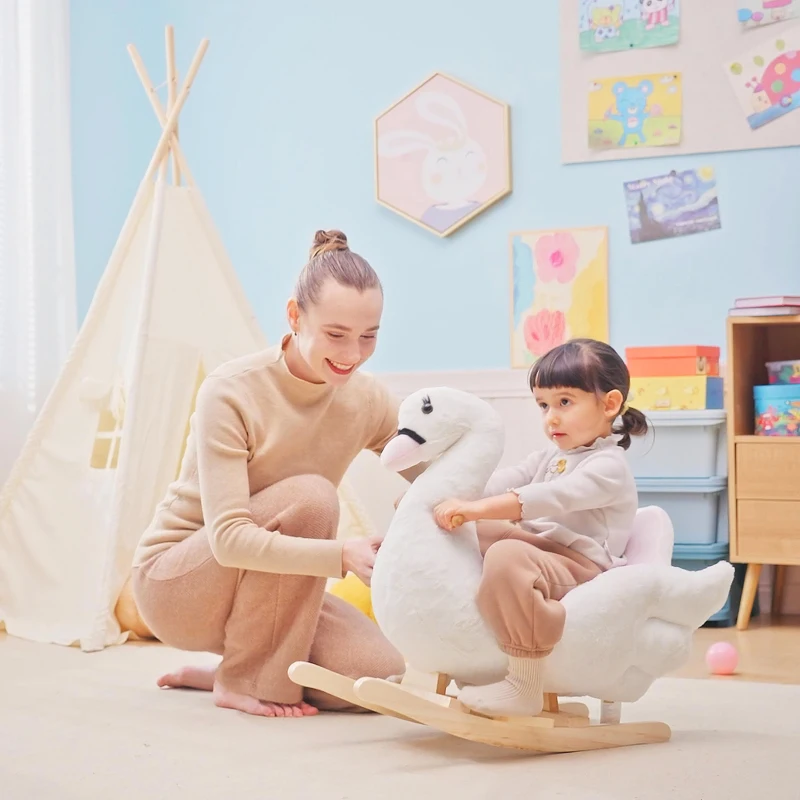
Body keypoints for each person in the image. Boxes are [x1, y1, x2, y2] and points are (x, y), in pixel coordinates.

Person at [131, 229, 420, 718]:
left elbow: (433, 473)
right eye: (336, 335)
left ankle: (237, 667)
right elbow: (229, 540)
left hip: (274, 592)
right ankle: (245, 680)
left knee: (376, 677)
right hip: (180, 582)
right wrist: (342, 555)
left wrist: (502, 515)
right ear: (294, 316)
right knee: (312, 497)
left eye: (368, 336)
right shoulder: (231, 391)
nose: (352, 354)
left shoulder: (366, 398)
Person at [432, 338, 648, 717]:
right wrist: (437, 498)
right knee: (465, 532)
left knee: (506, 555)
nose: (551, 417)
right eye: (544, 405)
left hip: (580, 567)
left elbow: (548, 497)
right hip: (539, 552)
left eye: (565, 402)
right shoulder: (553, 455)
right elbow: (501, 481)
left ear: (609, 404)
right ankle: (464, 647)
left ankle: (525, 684)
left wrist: (475, 509)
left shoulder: (609, 467)